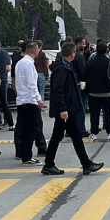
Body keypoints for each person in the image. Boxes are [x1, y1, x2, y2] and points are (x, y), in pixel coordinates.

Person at [42, 41, 103, 176]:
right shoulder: (61, 69)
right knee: (63, 136)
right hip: (65, 110)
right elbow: (58, 90)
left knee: (70, 136)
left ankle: (84, 164)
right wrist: (63, 109)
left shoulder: (65, 67)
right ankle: (51, 164)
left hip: (68, 109)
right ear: (72, 54)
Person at [15, 40, 47, 165]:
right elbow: (32, 84)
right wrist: (38, 99)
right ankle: (27, 157)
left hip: (22, 100)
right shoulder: (28, 64)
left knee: (24, 129)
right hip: (29, 100)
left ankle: (24, 154)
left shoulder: (20, 63)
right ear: (35, 51)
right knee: (32, 129)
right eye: (38, 50)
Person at [85, 41, 110, 140]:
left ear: (96, 50)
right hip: (107, 92)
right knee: (108, 113)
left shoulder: (90, 62)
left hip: (93, 92)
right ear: (106, 50)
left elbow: (85, 77)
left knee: (94, 114)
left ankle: (93, 132)